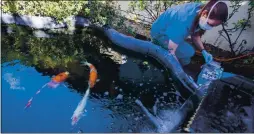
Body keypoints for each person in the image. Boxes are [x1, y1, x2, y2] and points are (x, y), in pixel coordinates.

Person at [150, 0, 228, 66]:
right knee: (186, 54)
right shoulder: (183, 20)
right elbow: (171, 52)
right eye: (210, 24)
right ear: (204, 13)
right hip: (160, 33)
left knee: (189, 53)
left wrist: (204, 51)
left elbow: (195, 34)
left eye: (214, 26)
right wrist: (180, 73)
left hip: (172, 32)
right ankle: (158, 57)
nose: (210, 28)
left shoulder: (200, 11)